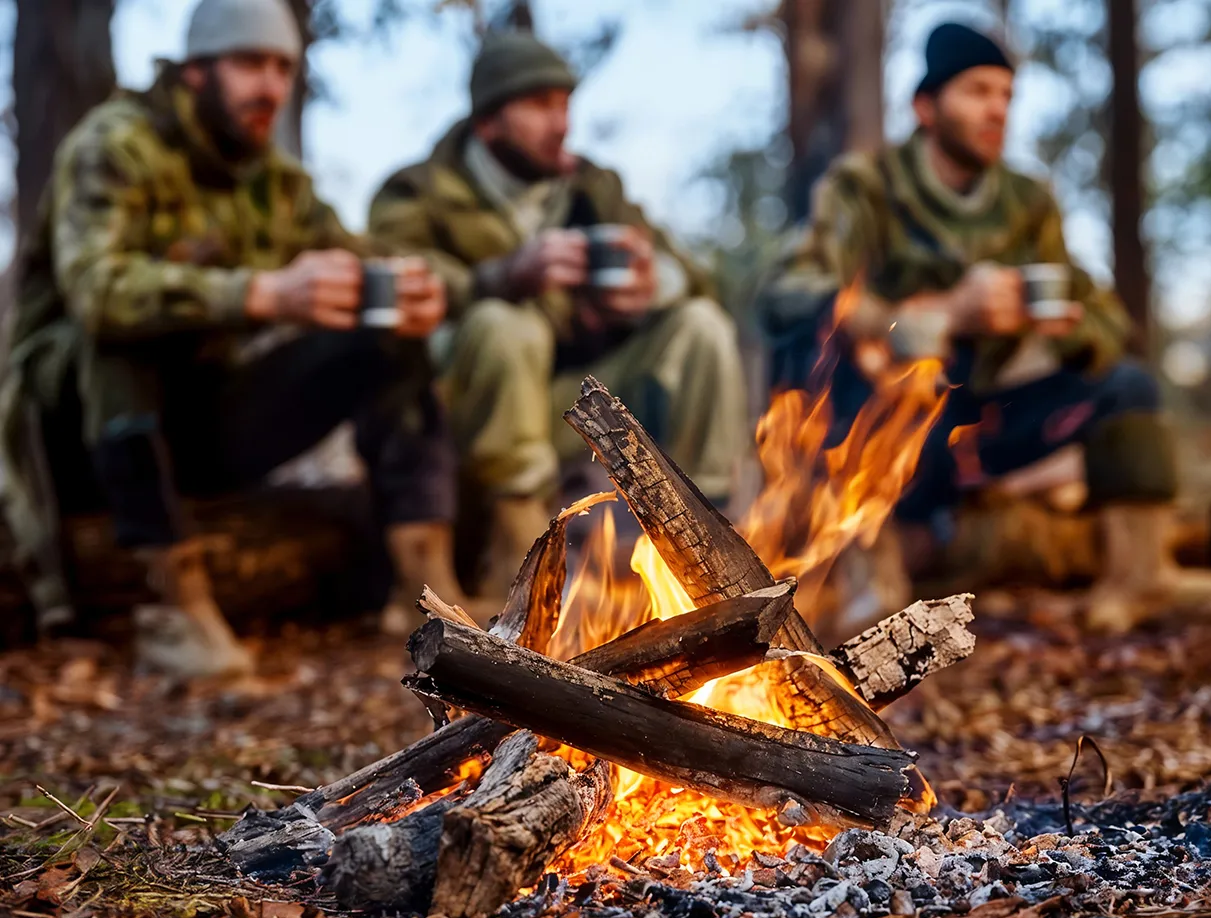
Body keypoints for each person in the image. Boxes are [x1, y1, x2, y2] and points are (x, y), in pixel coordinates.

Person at [0, 0, 478, 679]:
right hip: (80, 438)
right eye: (250, 63)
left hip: (200, 426)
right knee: (119, 335)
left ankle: (424, 589)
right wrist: (263, 293)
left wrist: (427, 288)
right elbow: (97, 291)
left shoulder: (276, 184)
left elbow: (374, 255)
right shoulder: (115, 144)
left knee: (386, 333)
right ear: (195, 71)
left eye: (283, 67)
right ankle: (171, 607)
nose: (271, 87)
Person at [761, 21, 1211, 633]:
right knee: (838, 356)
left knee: (1127, 385)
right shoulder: (865, 189)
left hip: (989, 424)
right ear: (926, 106)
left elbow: (1104, 316)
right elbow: (792, 295)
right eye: (978, 91)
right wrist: (943, 314)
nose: (997, 109)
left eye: (1007, 95)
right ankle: (873, 579)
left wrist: (1066, 327)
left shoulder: (1026, 202)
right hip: (899, 425)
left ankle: (1138, 573)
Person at [367, 31, 748, 595]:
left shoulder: (591, 186)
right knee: (505, 324)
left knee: (701, 326)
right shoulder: (418, 192)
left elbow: (691, 275)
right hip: (465, 414)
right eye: (540, 105)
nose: (562, 123)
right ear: (489, 121)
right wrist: (501, 276)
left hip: (571, 402)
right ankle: (517, 545)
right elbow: (390, 280)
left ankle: (704, 532)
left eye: (566, 104)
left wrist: (652, 282)